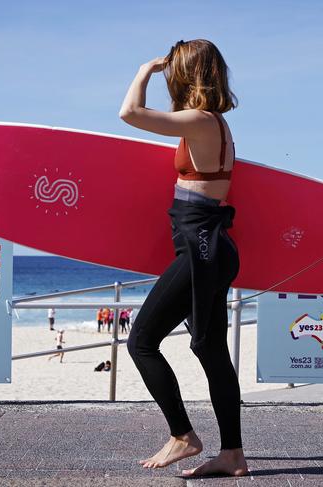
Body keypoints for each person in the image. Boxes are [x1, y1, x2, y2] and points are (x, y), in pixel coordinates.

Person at [119, 39, 247, 478]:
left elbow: (130, 114)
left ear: (186, 75)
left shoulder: (198, 121)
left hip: (200, 247)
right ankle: (232, 454)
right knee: (211, 351)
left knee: (141, 341)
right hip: (211, 246)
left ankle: (182, 435)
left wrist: (142, 71)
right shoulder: (216, 124)